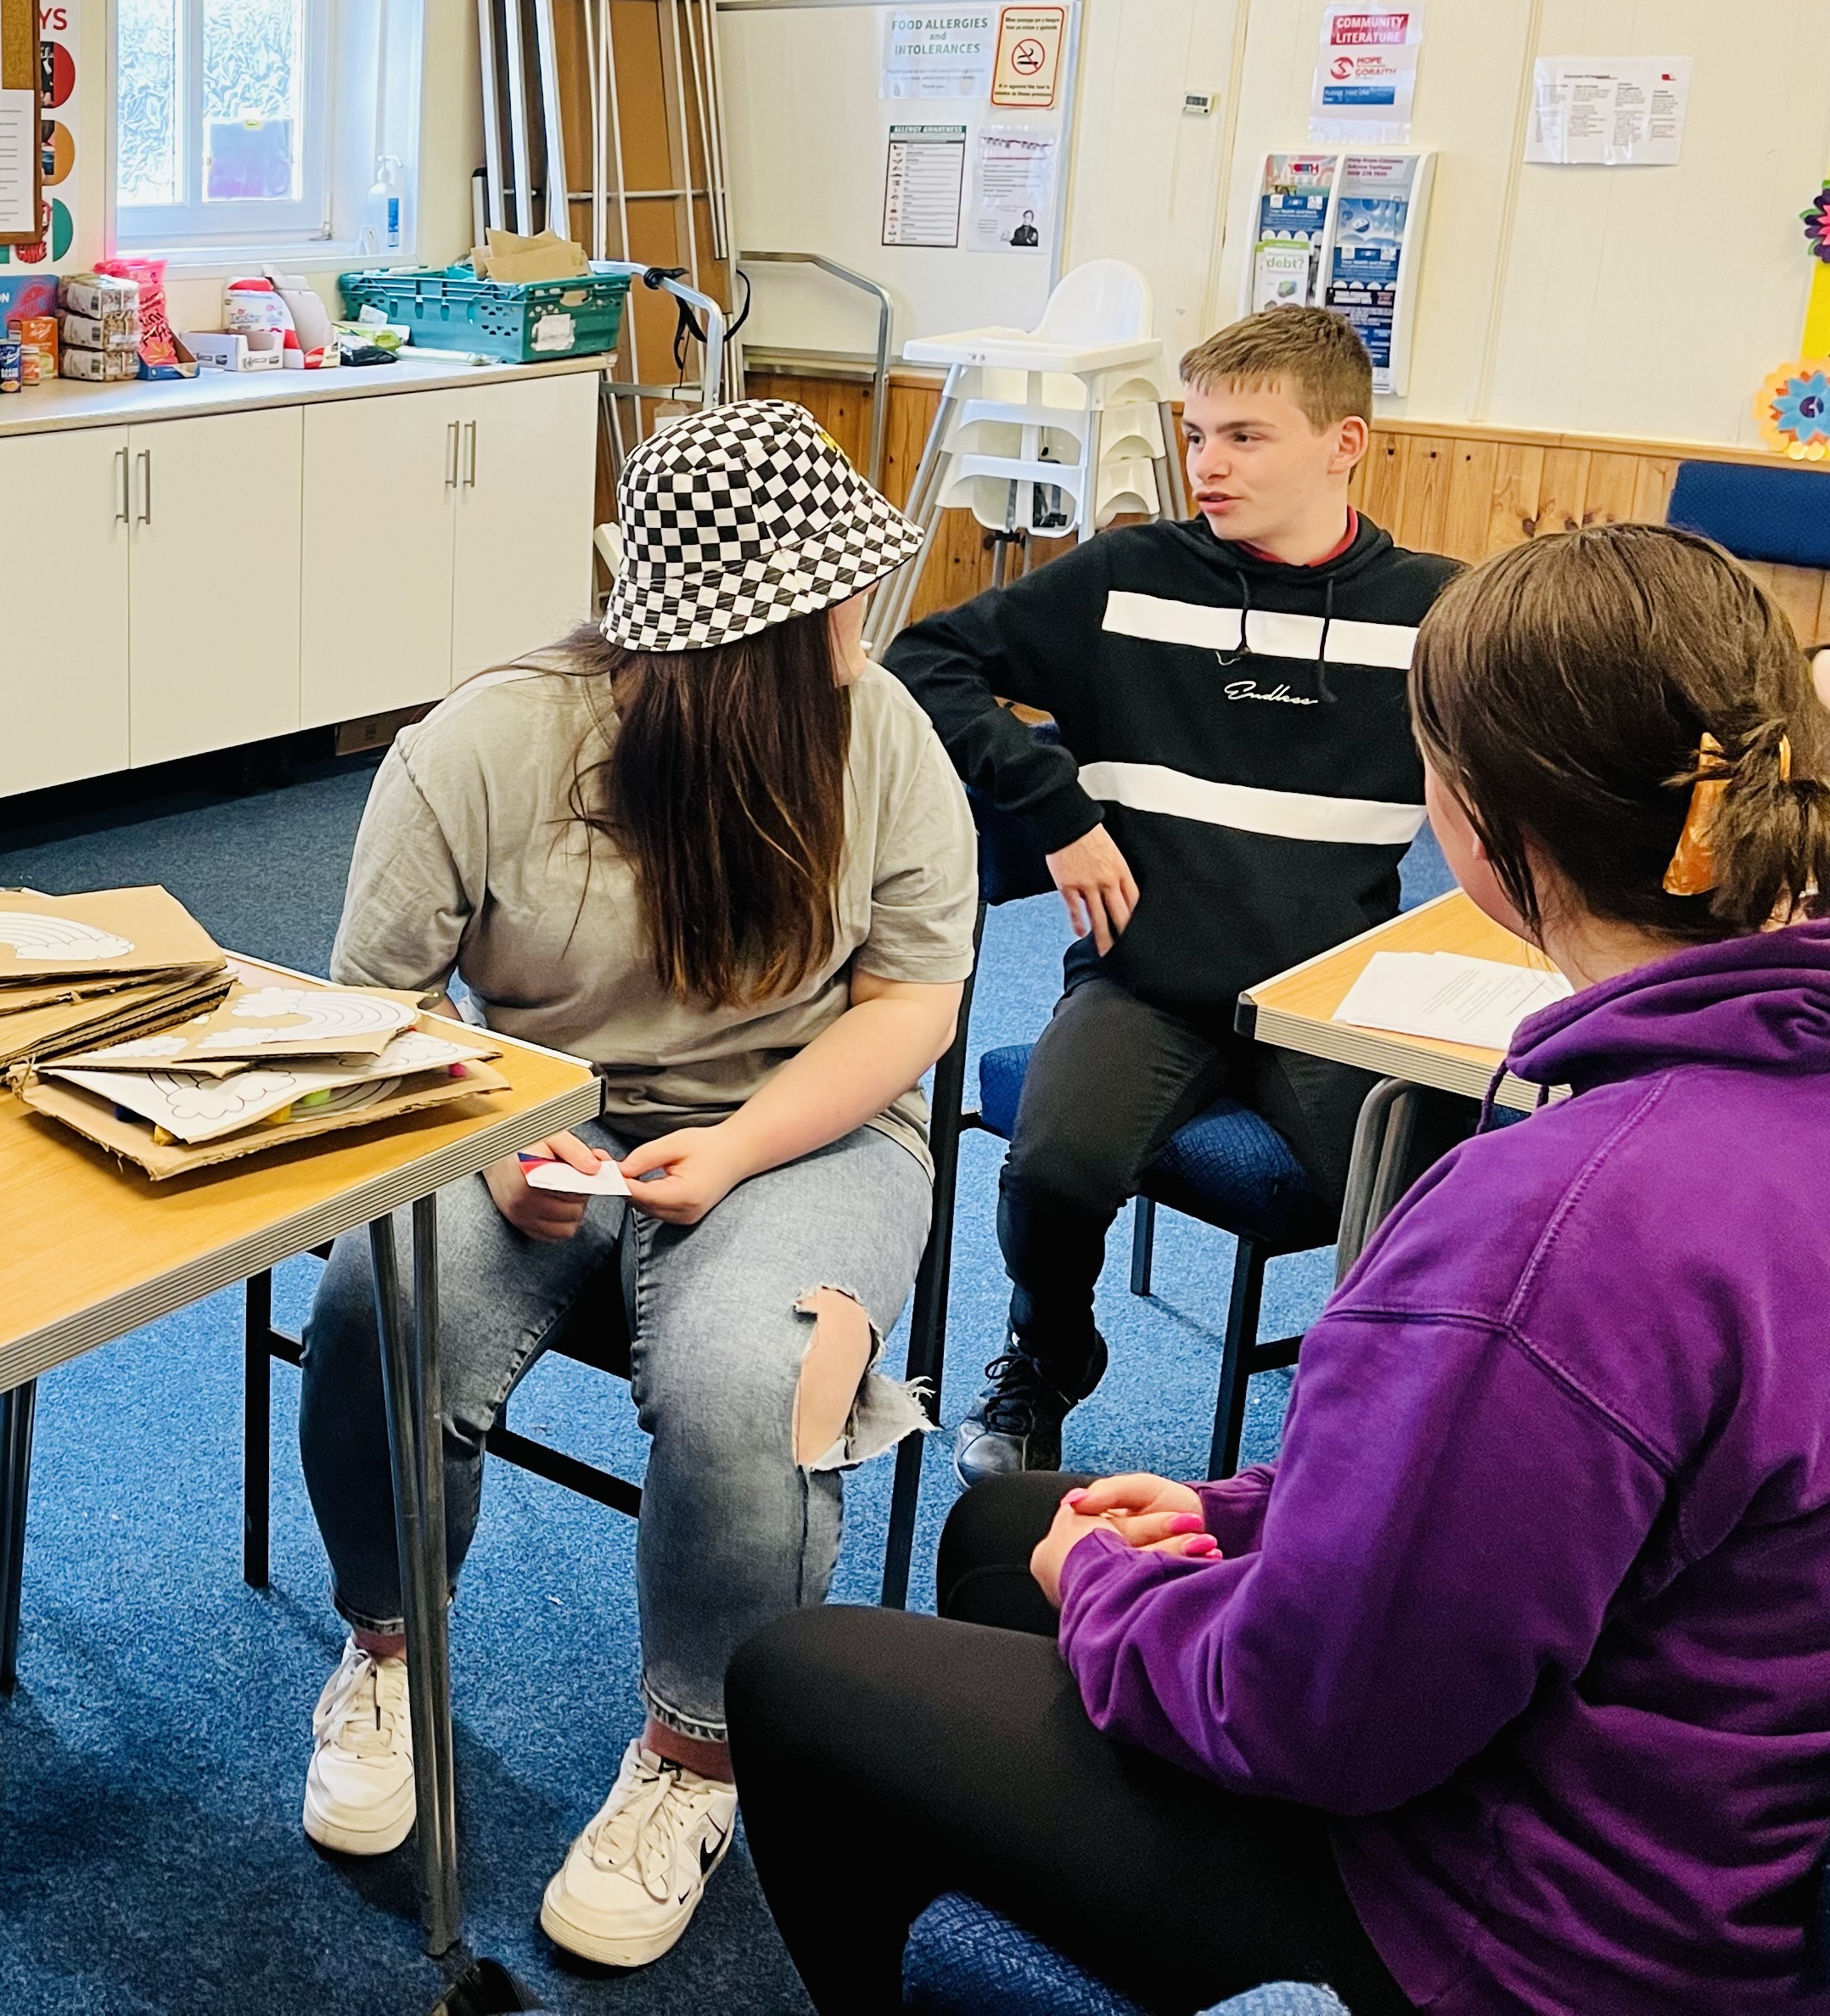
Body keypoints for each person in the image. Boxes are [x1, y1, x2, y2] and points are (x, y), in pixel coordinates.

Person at [729, 521, 1830, 2013]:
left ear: (1477, 819)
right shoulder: (1754, 1108)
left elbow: (1329, 1712)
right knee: (1003, 1525)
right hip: (1706, 1825)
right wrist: (1235, 1508)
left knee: (801, 1678)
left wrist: (1113, 1591)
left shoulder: (1546, 1227)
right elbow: (1544, 1504)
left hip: (1506, 1928)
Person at [293, 398, 973, 1972]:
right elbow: (364, 1028)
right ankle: (383, 1648)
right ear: (750, 642)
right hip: (520, 1112)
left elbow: (913, 999)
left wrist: (735, 1148)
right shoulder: (477, 745)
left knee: (757, 1371)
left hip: (802, 1124)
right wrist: (497, 1154)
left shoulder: (881, 732)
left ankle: (694, 1756)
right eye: (835, 596)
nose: (860, 616)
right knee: (368, 1302)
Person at [884, 305, 1460, 1476]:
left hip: (1329, 990)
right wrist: (1056, 808)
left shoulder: (1438, 612)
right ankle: (1047, 1359)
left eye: (1246, 437)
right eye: (1196, 434)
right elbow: (923, 661)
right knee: (1051, 1167)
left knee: (1438, 1201)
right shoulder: (1127, 579)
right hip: (1145, 980)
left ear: (1345, 442)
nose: (1207, 465)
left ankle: (1366, 1429)